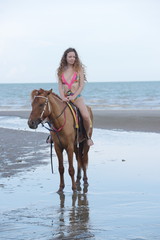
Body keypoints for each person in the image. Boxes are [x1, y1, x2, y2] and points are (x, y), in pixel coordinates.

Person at [57, 47, 94, 146]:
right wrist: (62, 97)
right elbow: (60, 86)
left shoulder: (79, 69)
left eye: (74, 57)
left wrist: (74, 96)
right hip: (64, 98)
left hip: (77, 98)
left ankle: (87, 137)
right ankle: (52, 136)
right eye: (70, 56)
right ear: (65, 57)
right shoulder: (60, 70)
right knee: (53, 114)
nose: (72, 58)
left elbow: (81, 85)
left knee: (86, 116)